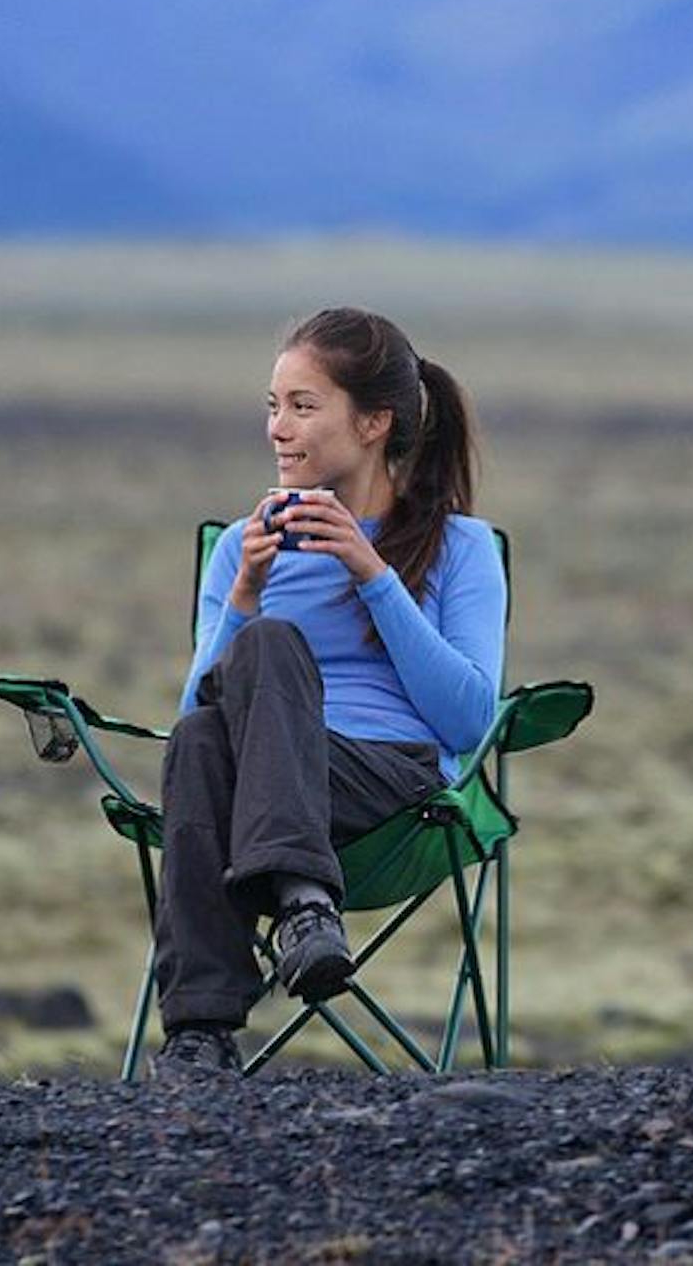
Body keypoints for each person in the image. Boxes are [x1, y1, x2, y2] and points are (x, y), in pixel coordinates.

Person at [150, 306, 505, 1080]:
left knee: (271, 655)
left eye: (304, 406)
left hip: (393, 785)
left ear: (375, 421)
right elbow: (190, 726)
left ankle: (288, 926)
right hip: (258, 793)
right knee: (213, 727)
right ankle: (212, 1021)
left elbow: (471, 722)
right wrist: (245, 592)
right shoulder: (248, 548)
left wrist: (373, 575)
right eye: (273, 406)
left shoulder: (459, 547)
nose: (279, 428)